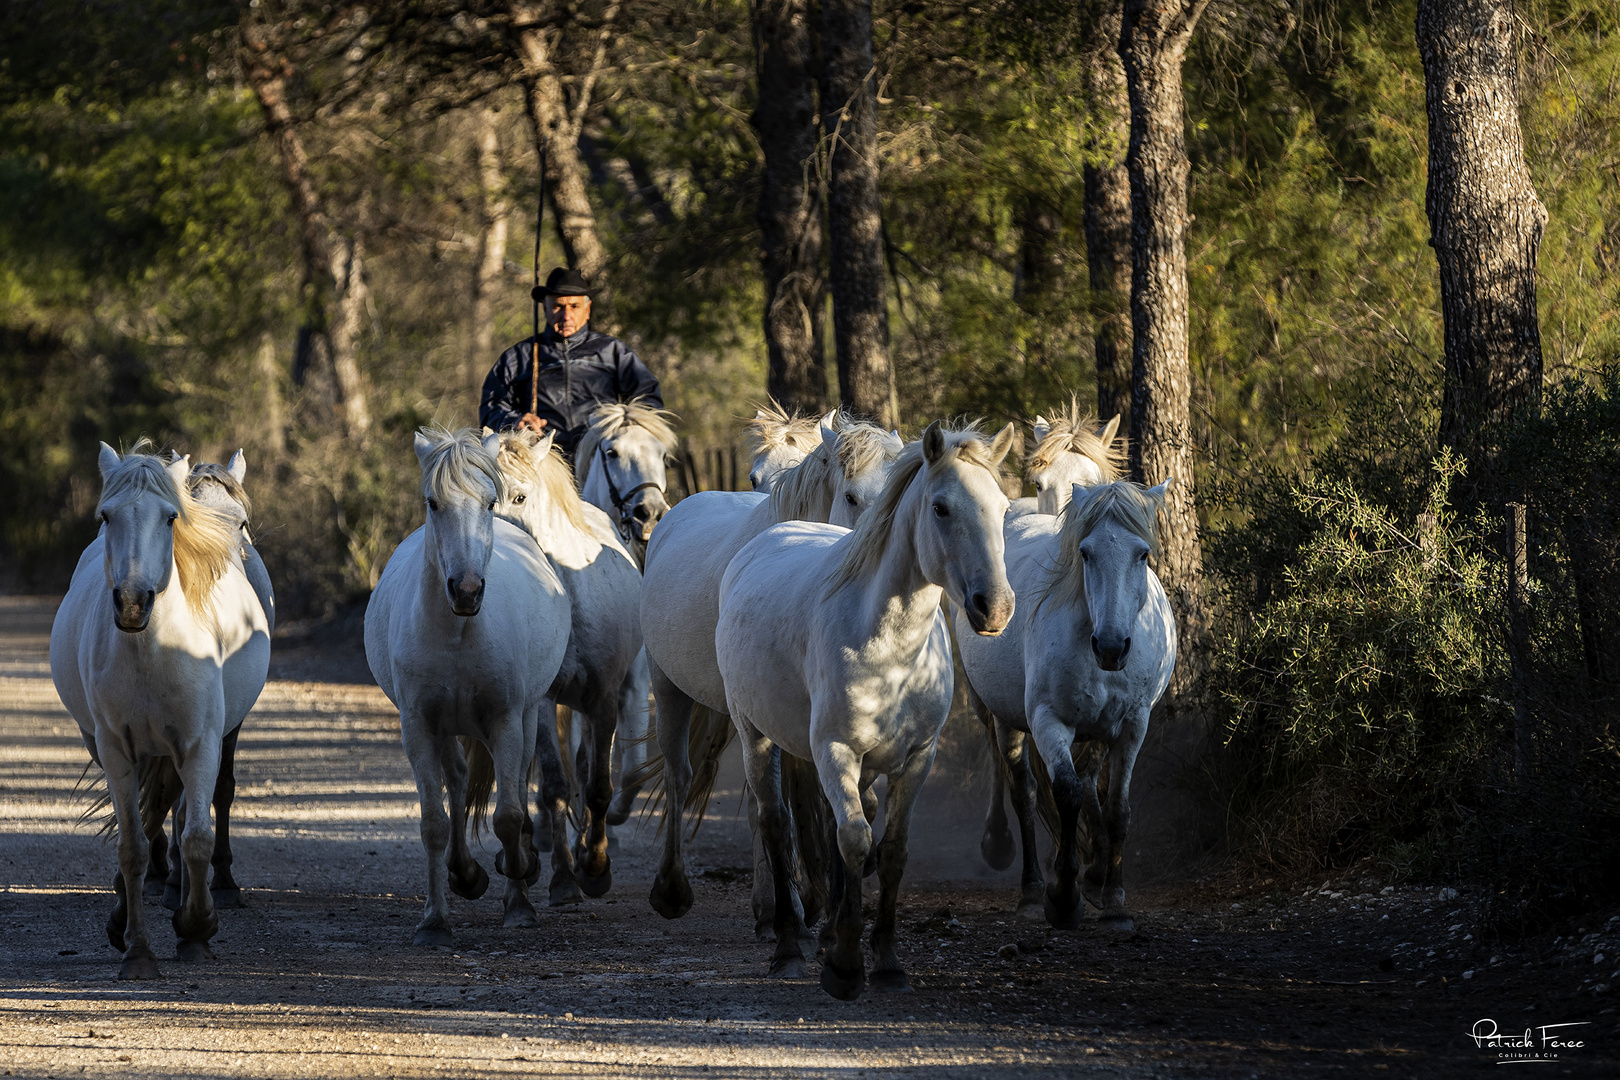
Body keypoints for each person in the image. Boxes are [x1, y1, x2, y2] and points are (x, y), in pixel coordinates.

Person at [480, 267, 663, 456]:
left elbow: (649, 399)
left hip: (603, 460)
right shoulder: (518, 357)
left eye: (574, 306)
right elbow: (490, 409)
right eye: (558, 306)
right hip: (544, 463)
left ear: (587, 309)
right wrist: (516, 421)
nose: (566, 316)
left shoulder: (613, 351)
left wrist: (623, 427)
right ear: (545, 308)